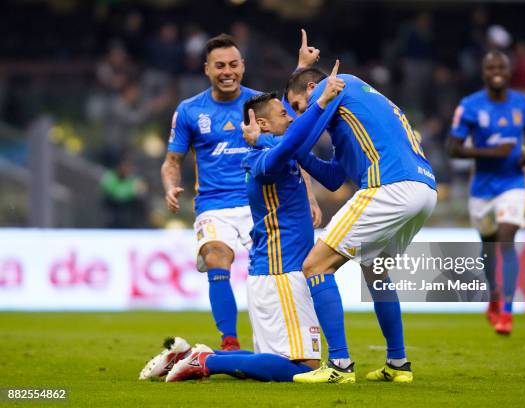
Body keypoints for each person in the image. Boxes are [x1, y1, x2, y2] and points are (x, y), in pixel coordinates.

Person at [145, 63, 345, 383]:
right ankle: (206, 360)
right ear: (262, 123)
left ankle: (187, 356)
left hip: (276, 273)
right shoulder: (265, 161)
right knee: (305, 366)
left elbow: (325, 167)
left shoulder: (272, 152)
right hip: (281, 273)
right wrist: (322, 103)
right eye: (284, 114)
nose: (291, 117)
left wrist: (310, 84)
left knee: (269, 360)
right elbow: (292, 141)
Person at [160, 32, 321, 351]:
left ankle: (295, 335)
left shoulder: (259, 103)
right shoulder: (190, 111)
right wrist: (170, 186)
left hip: (262, 204)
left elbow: (292, 144)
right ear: (206, 69)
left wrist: (311, 196)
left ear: (243, 66)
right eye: (219, 65)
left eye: (233, 64)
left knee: (293, 266)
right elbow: (171, 161)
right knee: (216, 255)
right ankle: (230, 342)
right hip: (214, 204)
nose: (227, 71)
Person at [278, 63, 437, 383]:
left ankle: (339, 365)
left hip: (389, 185)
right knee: (375, 269)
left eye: (296, 105)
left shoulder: (331, 86)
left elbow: (295, 136)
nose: (296, 113)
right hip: (424, 189)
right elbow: (335, 178)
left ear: (311, 89)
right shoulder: (353, 112)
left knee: (315, 266)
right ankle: (398, 364)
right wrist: (294, 151)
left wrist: (282, 120)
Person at [447, 50, 525, 335]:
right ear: (484, 72)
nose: (496, 71)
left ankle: (508, 311)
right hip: (482, 189)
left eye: (501, 66)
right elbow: (453, 148)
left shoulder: (524, 104)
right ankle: (494, 294)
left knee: (507, 237)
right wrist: (489, 153)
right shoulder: (469, 106)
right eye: (490, 67)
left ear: (509, 71)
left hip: (513, 184)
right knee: (487, 245)